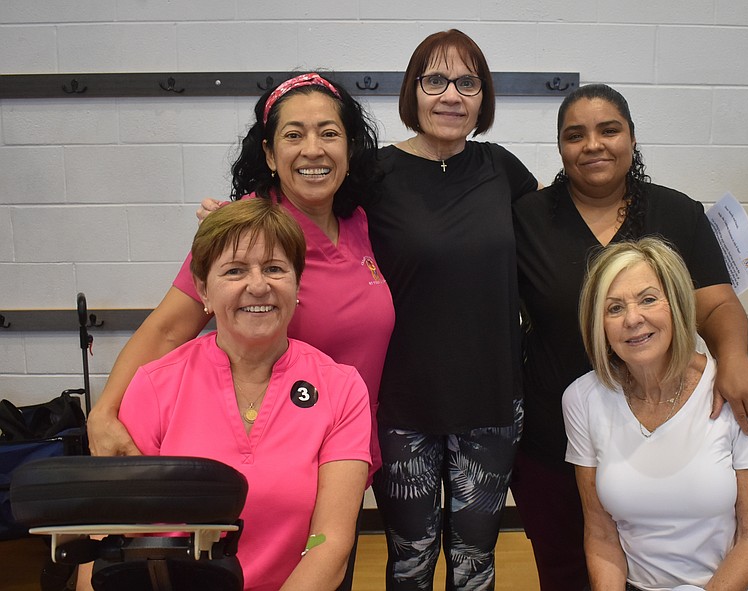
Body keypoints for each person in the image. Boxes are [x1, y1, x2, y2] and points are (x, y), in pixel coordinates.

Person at [86, 72, 394, 590]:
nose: (313, 149)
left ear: (350, 147)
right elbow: (165, 332)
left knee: (325, 556)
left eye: (329, 132)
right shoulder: (245, 231)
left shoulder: (360, 222)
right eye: (293, 135)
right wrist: (105, 412)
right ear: (270, 155)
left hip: (335, 453)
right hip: (255, 451)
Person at [511, 83, 748, 590]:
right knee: (571, 567)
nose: (593, 144)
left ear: (632, 138)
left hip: (664, 418)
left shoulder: (676, 214)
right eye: (575, 134)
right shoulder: (527, 219)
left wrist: (735, 359)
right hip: (556, 432)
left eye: (609, 130)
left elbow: (717, 303)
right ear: (560, 147)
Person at [112, 197, 370, 591]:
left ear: (297, 283)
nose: (258, 285)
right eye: (234, 271)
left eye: (274, 268)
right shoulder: (154, 385)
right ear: (204, 291)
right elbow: (112, 535)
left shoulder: (342, 388)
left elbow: (329, 543)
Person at [363, 30, 539, 590]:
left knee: (475, 561)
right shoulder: (375, 174)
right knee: (410, 559)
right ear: (412, 92)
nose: (451, 95)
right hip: (402, 404)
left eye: (468, 82)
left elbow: (556, 241)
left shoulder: (502, 170)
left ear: (483, 96)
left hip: (491, 397)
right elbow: (305, 218)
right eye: (435, 80)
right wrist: (241, 208)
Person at [563, 236, 748, 591]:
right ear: (598, 324)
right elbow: (601, 536)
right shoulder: (582, 399)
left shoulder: (736, 392)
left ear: (677, 305)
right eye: (614, 308)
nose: (633, 319)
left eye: (648, 299)